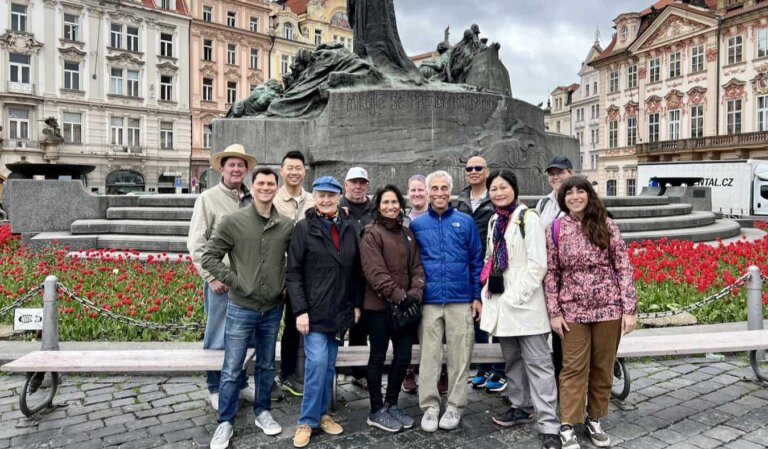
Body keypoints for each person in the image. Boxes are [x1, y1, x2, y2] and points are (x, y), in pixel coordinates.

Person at [202, 167, 294, 449]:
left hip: (272, 308)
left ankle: (262, 411)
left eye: (270, 184)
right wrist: (234, 281)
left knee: (266, 365)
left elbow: (296, 260)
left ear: (276, 188)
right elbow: (209, 256)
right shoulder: (234, 221)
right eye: (261, 183)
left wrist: (286, 282)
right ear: (252, 187)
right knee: (232, 367)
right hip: (241, 306)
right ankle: (225, 422)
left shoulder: (286, 225)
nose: (266, 188)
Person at [544, 176, 637, 449]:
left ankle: (595, 418)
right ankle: (568, 423)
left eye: (580, 191)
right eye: (569, 192)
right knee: (573, 368)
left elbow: (623, 267)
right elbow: (552, 274)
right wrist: (554, 312)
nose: (575, 196)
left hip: (608, 308)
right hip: (572, 310)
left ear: (588, 195)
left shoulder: (606, 224)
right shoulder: (556, 229)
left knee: (602, 367)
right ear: (563, 198)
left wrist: (628, 309)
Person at [479, 170, 561, 449]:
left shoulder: (529, 218)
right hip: (501, 304)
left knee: (538, 364)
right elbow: (491, 257)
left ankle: (549, 423)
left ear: (514, 189)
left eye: (503, 187)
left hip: (525, 305)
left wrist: (516, 295)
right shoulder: (494, 221)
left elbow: (539, 264)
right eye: (494, 189)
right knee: (512, 359)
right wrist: (488, 290)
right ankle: (520, 406)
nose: (498, 192)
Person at [286, 176, 364, 448]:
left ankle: (322, 415)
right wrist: (300, 310)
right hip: (314, 310)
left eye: (331, 195)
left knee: (328, 366)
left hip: (339, 310)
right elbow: (293, 273)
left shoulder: (350, 227)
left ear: (339, 197)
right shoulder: (303, 229)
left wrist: (355, 304)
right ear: (314, 197)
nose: (326, 200)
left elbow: (356, 270)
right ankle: (306, 421)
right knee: (317, 364)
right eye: (321, 195)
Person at [410, 170, 483, 432]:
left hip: (460, 299)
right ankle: (429, 406)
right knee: (429, 355)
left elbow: (476, 260)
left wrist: (476, 296)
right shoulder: (417, 225)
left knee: (460, 355)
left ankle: (454, 406)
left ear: (450, 192)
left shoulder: (465, 222)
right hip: (429, 300)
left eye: (444, 188)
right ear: (427, 192)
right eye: (434, 188)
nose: (439, 193)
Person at [187, 143, 257, 411]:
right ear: (222, 168)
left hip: (248, 282)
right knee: (217, 337)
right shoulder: (207, 198)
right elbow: (196, 243)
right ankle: (215, 386)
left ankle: (238, 383)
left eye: (241, 165)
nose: (237, 169)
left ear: (246, 170)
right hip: (221, 282)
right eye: (232, 164)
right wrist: (211, 277)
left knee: (245, 336)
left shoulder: (251, 199)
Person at [360, 185, 425, 432]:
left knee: (403, 357)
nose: (390, 206)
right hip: (379, 307)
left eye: (394, 202)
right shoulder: (371, 233)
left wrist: (414, 293)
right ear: (378, 206)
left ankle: (392, 403)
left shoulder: (407, 233)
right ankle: (376, 410)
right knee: (377, 356)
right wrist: (401, 297)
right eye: (385, 202)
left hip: (406, 308)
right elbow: (375, 273)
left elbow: (417, 268)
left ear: (400, 204)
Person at [456, 156, 506, 393]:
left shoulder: (495, 196)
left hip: (494, 263)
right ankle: (483, 368)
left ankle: (499, 369)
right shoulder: (462, 199)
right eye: (469, 168)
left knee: (495, 317)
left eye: (478, 168)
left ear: (487, 171)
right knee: (477, 317)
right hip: (469, 264)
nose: (473, 171)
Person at [274, 150, 315, 398]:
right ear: (282, 171)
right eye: (289, 168)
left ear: (304, 171)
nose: (294, 172)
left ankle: (293, 372)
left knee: (293, 324)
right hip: (277, 273)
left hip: (304, 276)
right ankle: (279, 373)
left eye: (298, 168)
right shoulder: (273, 199)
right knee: (272, 327)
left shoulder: (312, 200)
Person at [536, 156, 574, 384]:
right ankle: (557, 382)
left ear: (571, 172)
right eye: (551, 173)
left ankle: (569, 386)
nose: (555, 177)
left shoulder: (580, 200)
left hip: (569, 279)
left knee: (567, 335)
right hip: (547, 276)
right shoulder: (544, 203)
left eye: (560, 172)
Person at [339, 166, 374, 389]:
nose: (358, 186)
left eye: (362, 183)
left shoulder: (374, 209)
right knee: (339, 323)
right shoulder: (337, 206)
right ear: (346, 185)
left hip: (368, 276)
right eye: (354, 182)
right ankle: (333, 370)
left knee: (361, 326)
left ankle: (358, 372)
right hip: (343, 276)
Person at [402, 174, 428, 394]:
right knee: (409, 327)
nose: (417, 194)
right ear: (408, 193)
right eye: (413, 190)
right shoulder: (403, 219)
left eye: (421, 190)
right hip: (409, 282)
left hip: (433, 281)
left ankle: (440, 371)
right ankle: (409, 370)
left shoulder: (436, 215)